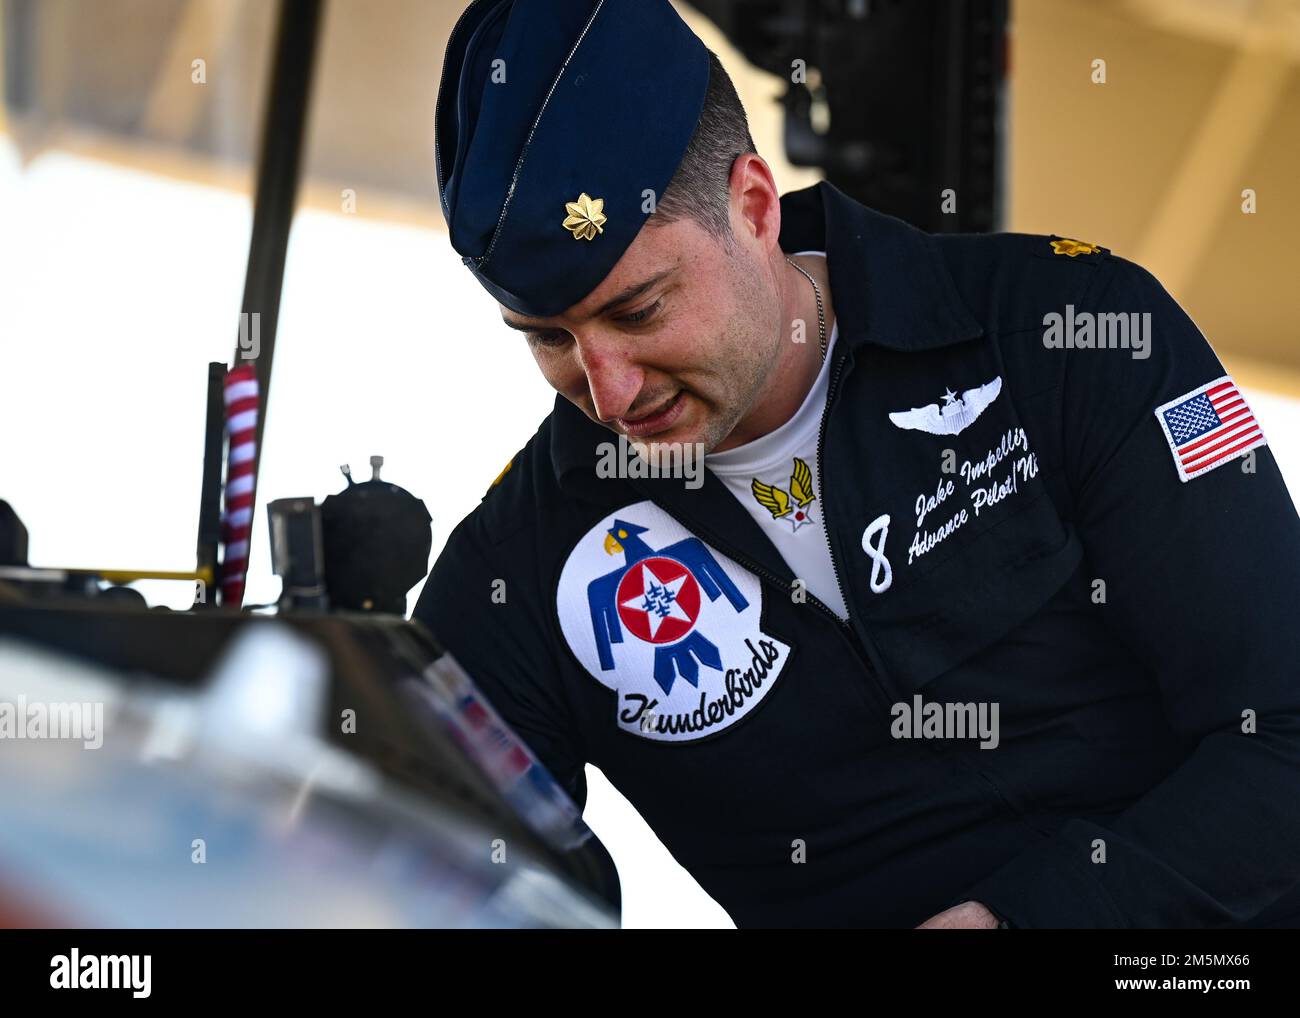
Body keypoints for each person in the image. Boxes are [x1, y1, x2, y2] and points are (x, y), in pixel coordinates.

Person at [414, 0, 1300, 928]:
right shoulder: (518, 570)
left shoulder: (1070, 332)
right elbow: (435, 882)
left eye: (639, 311)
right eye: (548, 337)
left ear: (752, 206)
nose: (609, 390)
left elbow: (1282, 736)